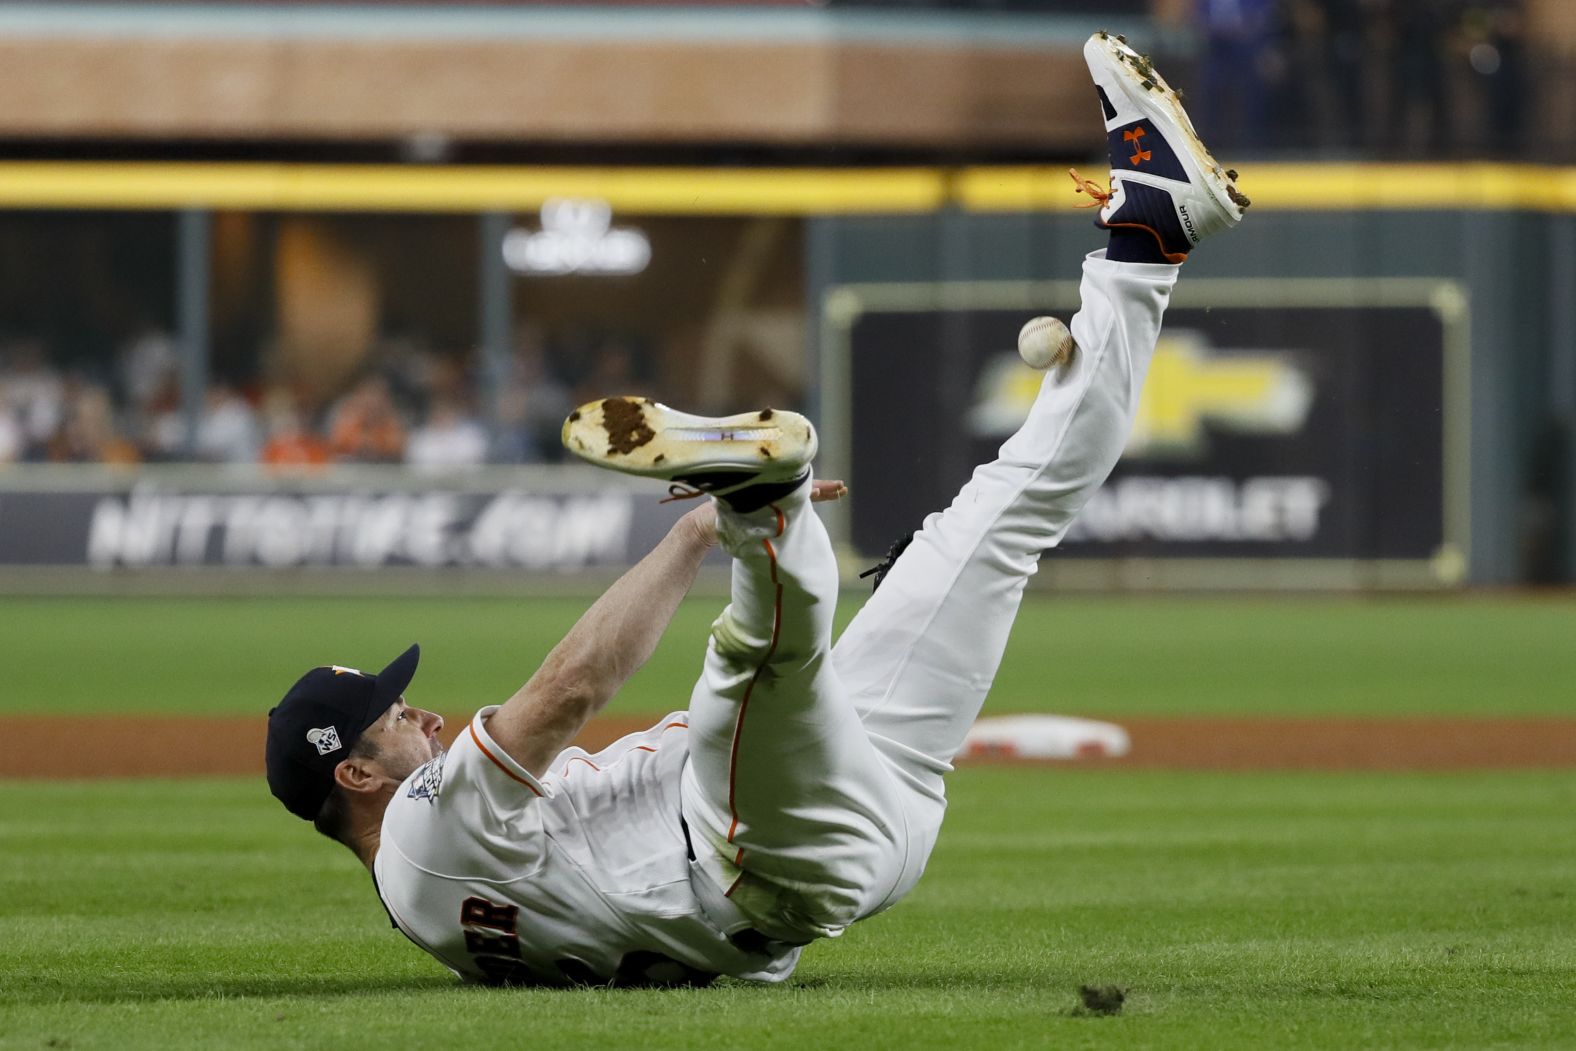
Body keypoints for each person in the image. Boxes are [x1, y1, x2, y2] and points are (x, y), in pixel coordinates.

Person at [265, 32, 1248, 987]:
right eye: (391, 717)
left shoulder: (438, 905)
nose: (422, 713)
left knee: (1000, 516)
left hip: (853, 818)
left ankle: (1145, 242)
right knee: (743, 666)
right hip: (762, 853)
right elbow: (567, 692)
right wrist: (706, 533)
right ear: (353, 776)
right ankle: (764, 504)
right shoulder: (426, 836)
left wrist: (689, 534)